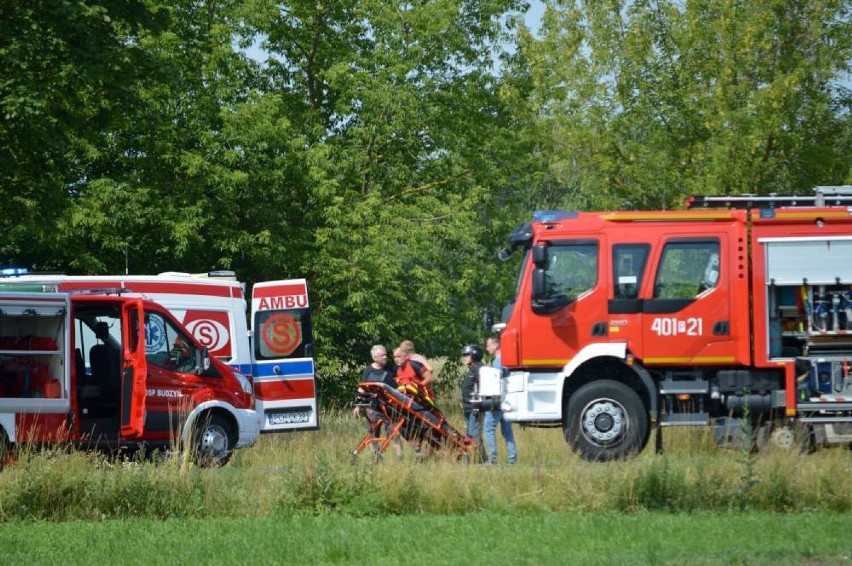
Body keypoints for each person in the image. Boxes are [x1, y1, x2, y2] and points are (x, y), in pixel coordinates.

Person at [352, 344, 402, 457]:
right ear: (374, 358)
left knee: (395, 434)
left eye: (385, 354)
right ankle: (376, 457)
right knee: (373, 434)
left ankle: (400, 459)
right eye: (382, 355)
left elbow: (402, 381)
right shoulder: (368, 371)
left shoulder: (392, 368)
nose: (385, 357)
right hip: (373, 408)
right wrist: (358, 406)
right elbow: (362, 389)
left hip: (390, 407)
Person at [483, 336, 517, 464]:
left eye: (488, 345)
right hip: (508, 400)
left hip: (498, 400)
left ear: (496, 345)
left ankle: (492, 460)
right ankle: (512, 459)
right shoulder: (507, 359)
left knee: (488, 428)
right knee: (507, 430)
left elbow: (497, 379)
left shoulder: (498, 361)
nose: (487, 348)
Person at [460, 343, 487, 463]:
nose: (465, 357)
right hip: (468, 407)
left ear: (474, 355)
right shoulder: (474, 368)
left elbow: (484, 387)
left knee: (473, 434)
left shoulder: (479, 369)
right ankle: (478, 460)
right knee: (470, 434)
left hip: (474, 408)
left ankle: (483, 461)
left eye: (467, 355)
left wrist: (479, 404)